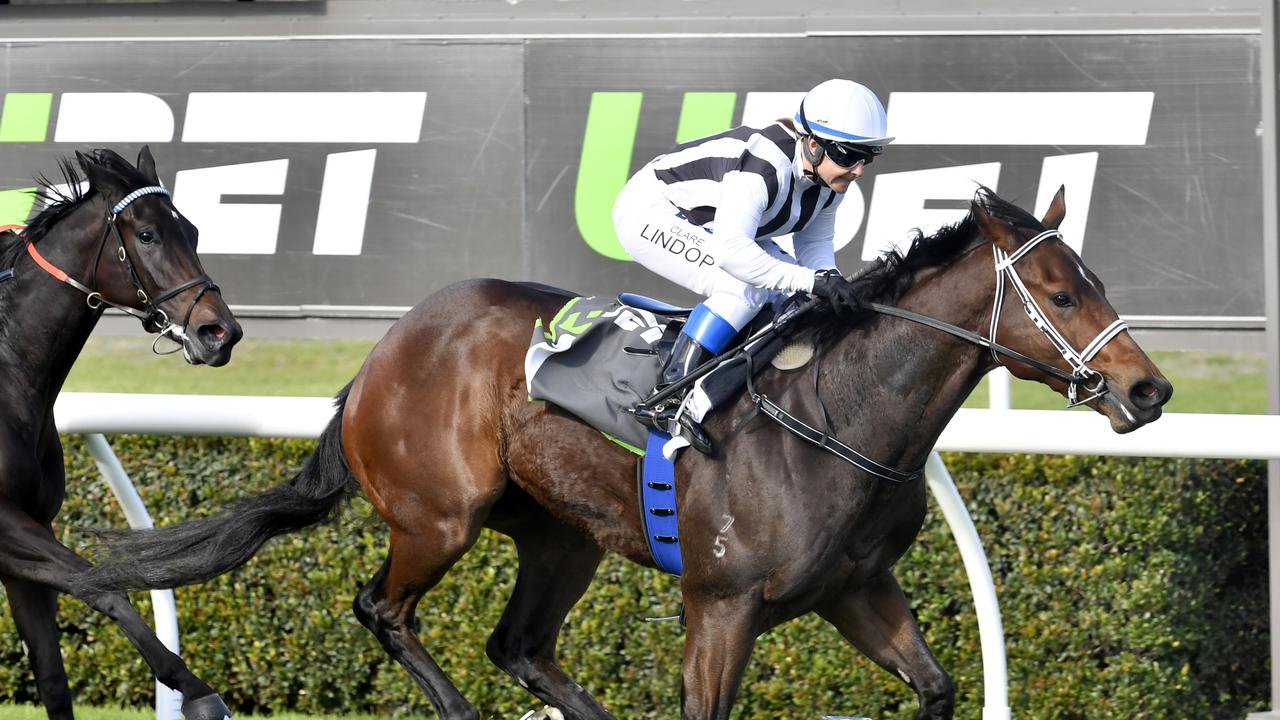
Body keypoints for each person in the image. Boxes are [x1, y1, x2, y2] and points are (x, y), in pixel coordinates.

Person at [612, 78, 894, 453]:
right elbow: (733, 254)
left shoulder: (829, 180)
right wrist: (812, 281)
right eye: (847, 155)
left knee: (794, 301)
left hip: (711, 221)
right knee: (745, 288)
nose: (858, 170)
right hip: (651, 211)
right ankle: (669, 399)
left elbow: (814, 244)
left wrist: (828, 278)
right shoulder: (763, 168)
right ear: (813, 144)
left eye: (867, 156)